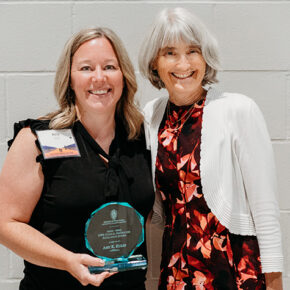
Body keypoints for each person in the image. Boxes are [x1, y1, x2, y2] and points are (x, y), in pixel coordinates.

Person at [139, 7, 283, 290]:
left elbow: (265, 209)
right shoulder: (150, 116)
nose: (183, 64)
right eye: (170, 52)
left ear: (205, 58)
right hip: (177, 271)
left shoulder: (238, 109)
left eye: (193, 51)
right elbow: (157, 211)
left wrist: (276, 282)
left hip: (235, 268)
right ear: (155, 62)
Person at [0, 27, 154, 289]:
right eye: (85, 68)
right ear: (69, 79)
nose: (98, 78)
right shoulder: (37, 139)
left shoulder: (143, 140)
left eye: (109, 67)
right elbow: (6, 223)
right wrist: (67, 261)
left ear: (123, 76)